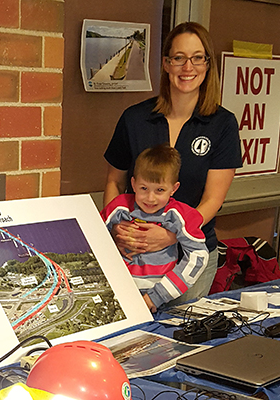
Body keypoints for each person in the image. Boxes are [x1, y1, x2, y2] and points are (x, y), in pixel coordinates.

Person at [103, 22, 242, 304]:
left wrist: (171, 236)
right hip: (133, 256)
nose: (187, 67)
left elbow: (213, 199)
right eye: (178, 58)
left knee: (178, 340)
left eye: (197, 57)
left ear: (207, 63)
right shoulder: (135, 118)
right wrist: (116, 231)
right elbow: (114, 182)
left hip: (188, 261)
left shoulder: (222, 124)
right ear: (166, 64)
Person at [101, 145, 209, 312]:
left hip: (160, 301)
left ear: (174, 189)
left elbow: (199, 256)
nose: (150, 198)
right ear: (133, 184)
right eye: (144, 188)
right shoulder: (120, 207)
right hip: (117, 294)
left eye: (160, 190)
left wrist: (157, 296)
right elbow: (92, 237)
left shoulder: (179, 215)